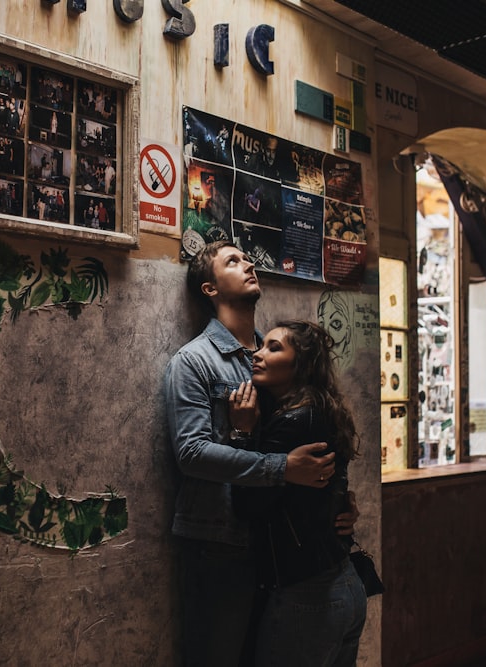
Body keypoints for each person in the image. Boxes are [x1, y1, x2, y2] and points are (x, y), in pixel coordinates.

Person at [164, 241, 358, 667]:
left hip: (274, 548)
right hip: (219, 544)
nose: (249, 262)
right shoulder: (194, 362)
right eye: (232, 261)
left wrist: (339, 500)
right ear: (210, 289)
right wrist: (282, 468)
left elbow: (316, 432)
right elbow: (192, 453)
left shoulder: (273, 356)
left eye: (247, 257)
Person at [229, 321, 366, 667]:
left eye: (274, 348)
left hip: (308, 595)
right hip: (344, 585)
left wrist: (242, 435)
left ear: (300, 364)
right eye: (262, 346)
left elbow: (246, 505)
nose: (257, 354)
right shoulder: (323, 409)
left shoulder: (294, 421)